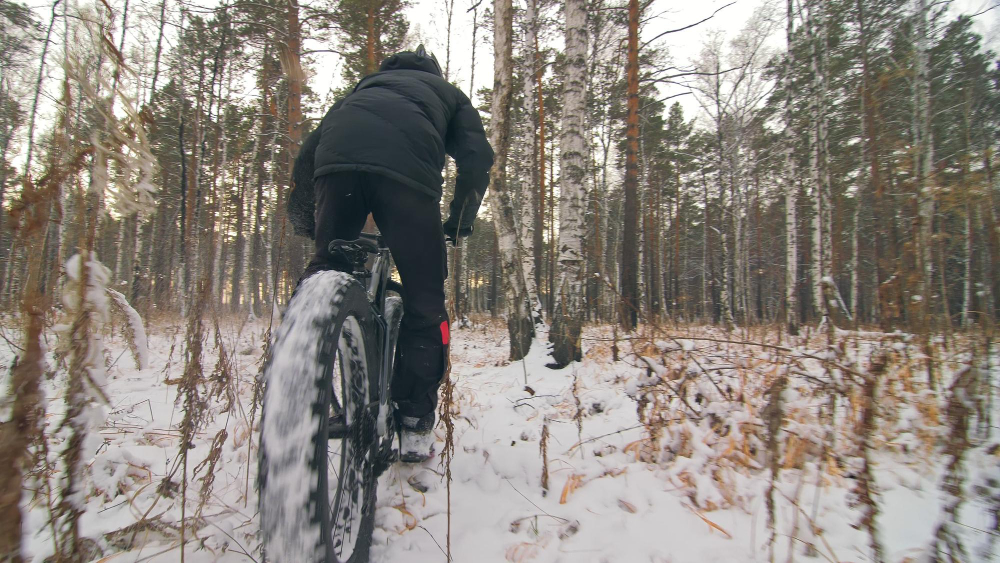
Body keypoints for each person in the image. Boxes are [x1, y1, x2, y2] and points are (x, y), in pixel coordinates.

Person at [288, 45, 494, 462]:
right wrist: (457, 223)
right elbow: (476, 158)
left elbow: (308, 154)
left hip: (337, 169)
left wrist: (308, 223)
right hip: (407, 179)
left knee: (324, 268)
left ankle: (302, 376)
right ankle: (415, 423)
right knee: (425, 302)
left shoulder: (361, 89)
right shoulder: (447, 93)